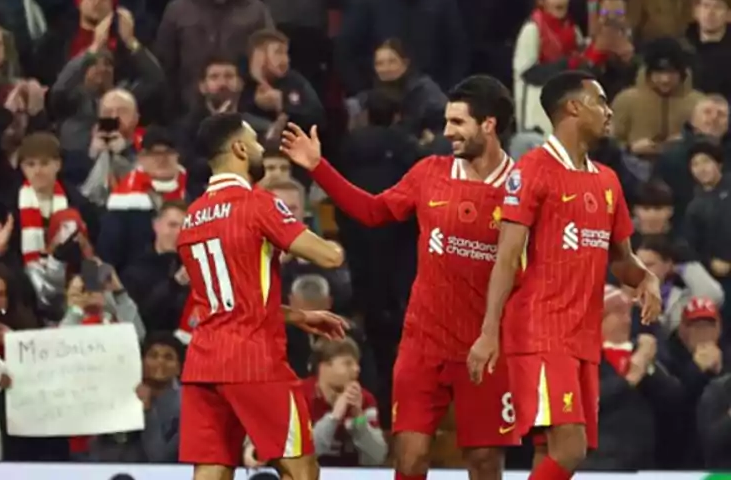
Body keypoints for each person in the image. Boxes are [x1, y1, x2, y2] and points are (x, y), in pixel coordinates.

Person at [282, 75, 521, 480]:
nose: (447, 132)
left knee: (484, 463)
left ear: (489, 124)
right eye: (447, 121)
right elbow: (374, 212)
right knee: (409, 460)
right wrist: (318, 168)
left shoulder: (523, 187)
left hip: (487, 346)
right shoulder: (430, 172)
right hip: (423, 344)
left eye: (458, 123)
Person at [468, 70, 663, 480]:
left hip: (583, 337)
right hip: (540, 331)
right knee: (571, 450)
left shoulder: (608, 180)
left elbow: (622, 259)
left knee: (552, 453)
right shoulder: (532, 169)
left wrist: (646, 278)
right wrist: (489, 331)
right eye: (601, 102)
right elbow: (506, 256)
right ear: (573, 107)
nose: (610, 112)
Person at [178, 112, 350, 480]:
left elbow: (229, 300)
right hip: (254, 359)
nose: (259, 149)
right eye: (255, 141)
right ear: (240, 148)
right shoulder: (258, 204)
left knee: (211, 470)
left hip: (203, 363)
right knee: (301, 470)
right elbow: (329, 257)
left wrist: (301, 316)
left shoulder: (191, 218)